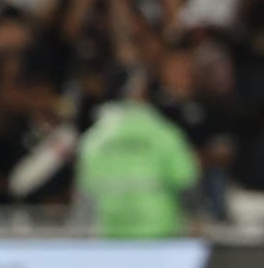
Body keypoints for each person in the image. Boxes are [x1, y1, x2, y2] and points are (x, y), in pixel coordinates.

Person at [74, 69, 200, 238]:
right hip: (159, 235)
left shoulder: (93, 140)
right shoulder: (163, 133)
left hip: (112, 239)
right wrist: (196, 222)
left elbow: (84, 199)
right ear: (138, 92)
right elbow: (186, 184)